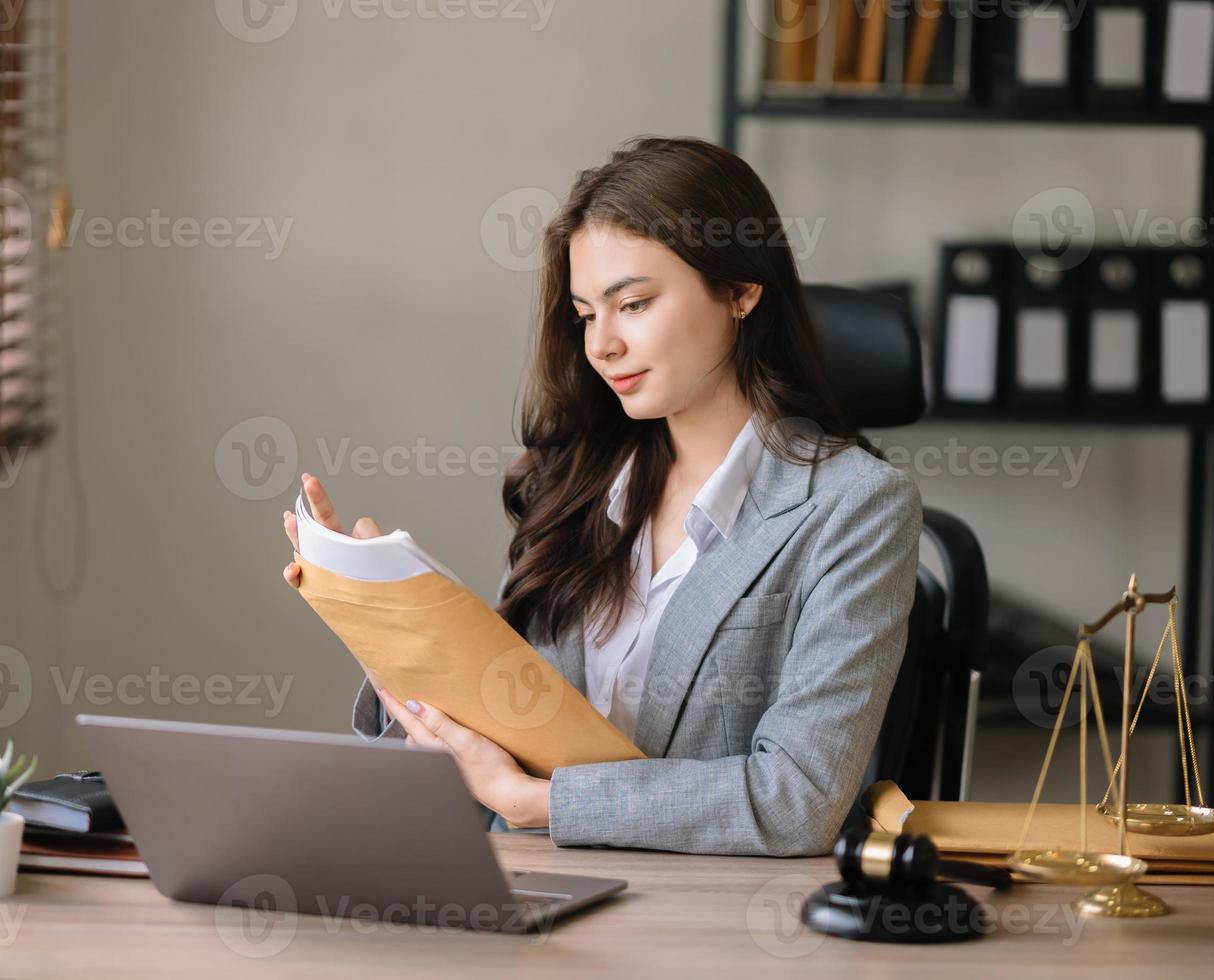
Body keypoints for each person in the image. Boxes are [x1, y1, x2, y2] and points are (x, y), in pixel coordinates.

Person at [283, 136, 921, 857]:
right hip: (531, 894)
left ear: (742, 290)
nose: (602, 345)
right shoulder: (574, 482)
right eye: (587, 314)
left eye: (635, 304)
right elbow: (505, 737)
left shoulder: (855, 506)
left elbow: (798, 798)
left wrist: (541, 803)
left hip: (712, 922)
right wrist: (394, 628)